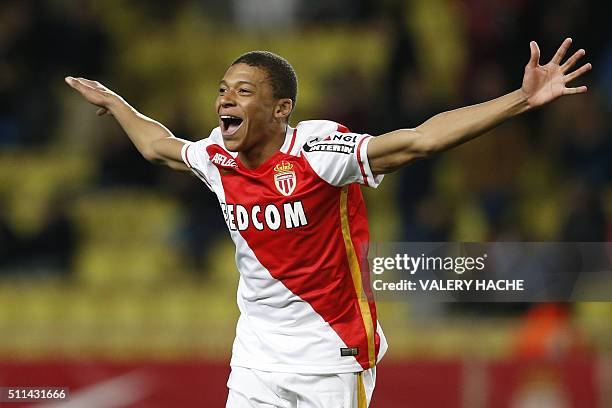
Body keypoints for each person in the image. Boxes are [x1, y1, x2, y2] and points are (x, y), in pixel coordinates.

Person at [65, 38, 590, 407]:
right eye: (223, 88)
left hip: (332, 354)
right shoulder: (215, 156)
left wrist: (521, 99)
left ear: (281, 108)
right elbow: (159, 147)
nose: (226, 98)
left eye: (244, 91)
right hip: (255, 356)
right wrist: (116, 102)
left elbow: (420, 139)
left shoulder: (318, 152)